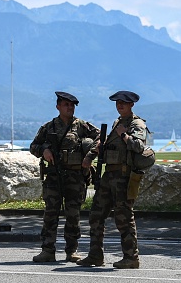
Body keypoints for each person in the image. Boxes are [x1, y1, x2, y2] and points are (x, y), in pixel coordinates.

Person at [76, 90, 147, 269]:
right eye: (117, 102)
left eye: (123, 102)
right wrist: (92, 155)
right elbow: (105, 144)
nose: (120, 105)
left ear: (131, 104)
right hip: (109, 175)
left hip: (124, 176)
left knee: (124, 217)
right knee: (96, 215)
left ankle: (131, 257)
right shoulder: (118, 122)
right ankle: (95, 255)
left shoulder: (136, 124)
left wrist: (124, 135)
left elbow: (139, 146)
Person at [30, 91, 100, 263]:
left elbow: (101, 138)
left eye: (72, 105)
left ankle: (72, 250)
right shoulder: (49, 127)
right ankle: (47, 250)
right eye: (66, 105)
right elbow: (33, 146)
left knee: (73, 215)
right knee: (50, 214)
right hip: (54, 176)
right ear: (58, 107)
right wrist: (43, 151)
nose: (70, 108)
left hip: (75, 177)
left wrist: (89, 155)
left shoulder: (81, 126)